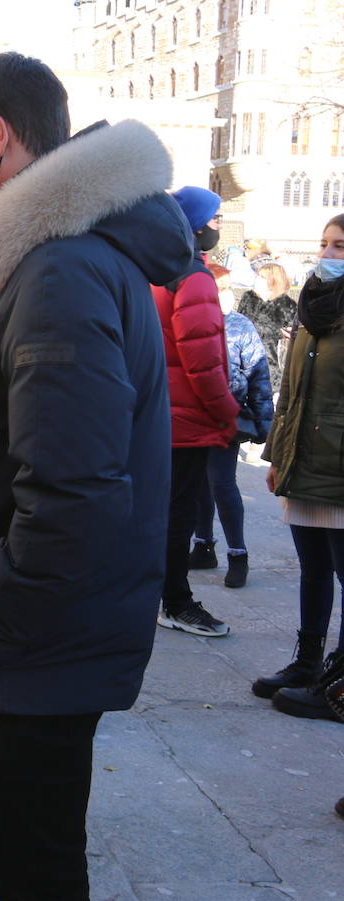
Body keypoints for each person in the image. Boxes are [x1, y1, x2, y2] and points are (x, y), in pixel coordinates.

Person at [0, 52, 186, 901]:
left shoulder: (62, 272)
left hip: (26, 641)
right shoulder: (36, 261)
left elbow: (76, 490)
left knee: (38, 867)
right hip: (2, 633)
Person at [258, 212, 344, 722]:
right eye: (326, 244)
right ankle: (308, 664)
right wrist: (276, 454)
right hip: (304, 459)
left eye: (341, 246)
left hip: (336, 464)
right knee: (313, 569)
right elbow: (290, 391)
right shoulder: (312, 306)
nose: (330, 254)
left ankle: (338, 685)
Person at [153, 187, 239, 638]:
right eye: (216, 218)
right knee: (178, 516)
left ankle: (158, 596)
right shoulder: (193, 277)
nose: (218, 226)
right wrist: (228, 414)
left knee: (159, 513)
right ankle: (175, 601)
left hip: (155, 416)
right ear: (196, 225)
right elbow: (203, 363)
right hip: (185, 421)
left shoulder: (155, 271)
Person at [189, 264, 273, 588]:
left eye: (223, 288)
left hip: (228, 418)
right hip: (195, 418)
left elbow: (258, 374)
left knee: (221, 484)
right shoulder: (191, 320)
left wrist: (263, 425)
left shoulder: (240, 326)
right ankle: (203, 545)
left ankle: (238, 555)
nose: (218, 294)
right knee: (198, 484)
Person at [237, 261, 296, 392]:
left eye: (262, 277)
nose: (257, 280)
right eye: (257, 276)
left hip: (272, 370)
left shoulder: (288, 306)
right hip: (244, 366)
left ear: (273, 281)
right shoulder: (248, 298)